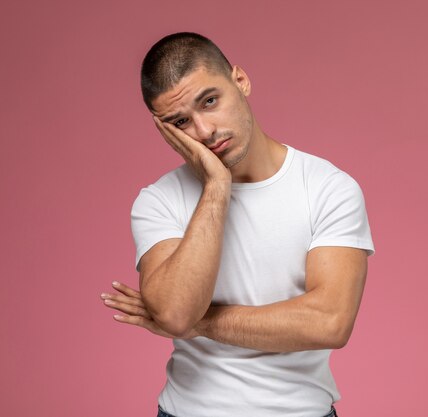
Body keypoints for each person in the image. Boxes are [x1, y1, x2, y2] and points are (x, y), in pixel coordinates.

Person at [101, 32, 375, 417]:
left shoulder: (328, 187)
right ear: (163, 129)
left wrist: (200, 323)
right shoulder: (158, 200)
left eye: (210, 101)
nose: (204, 131)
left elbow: (328, 323)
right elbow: (176, 313)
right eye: (181, 122)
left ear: (240, 81)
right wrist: (216, 186)